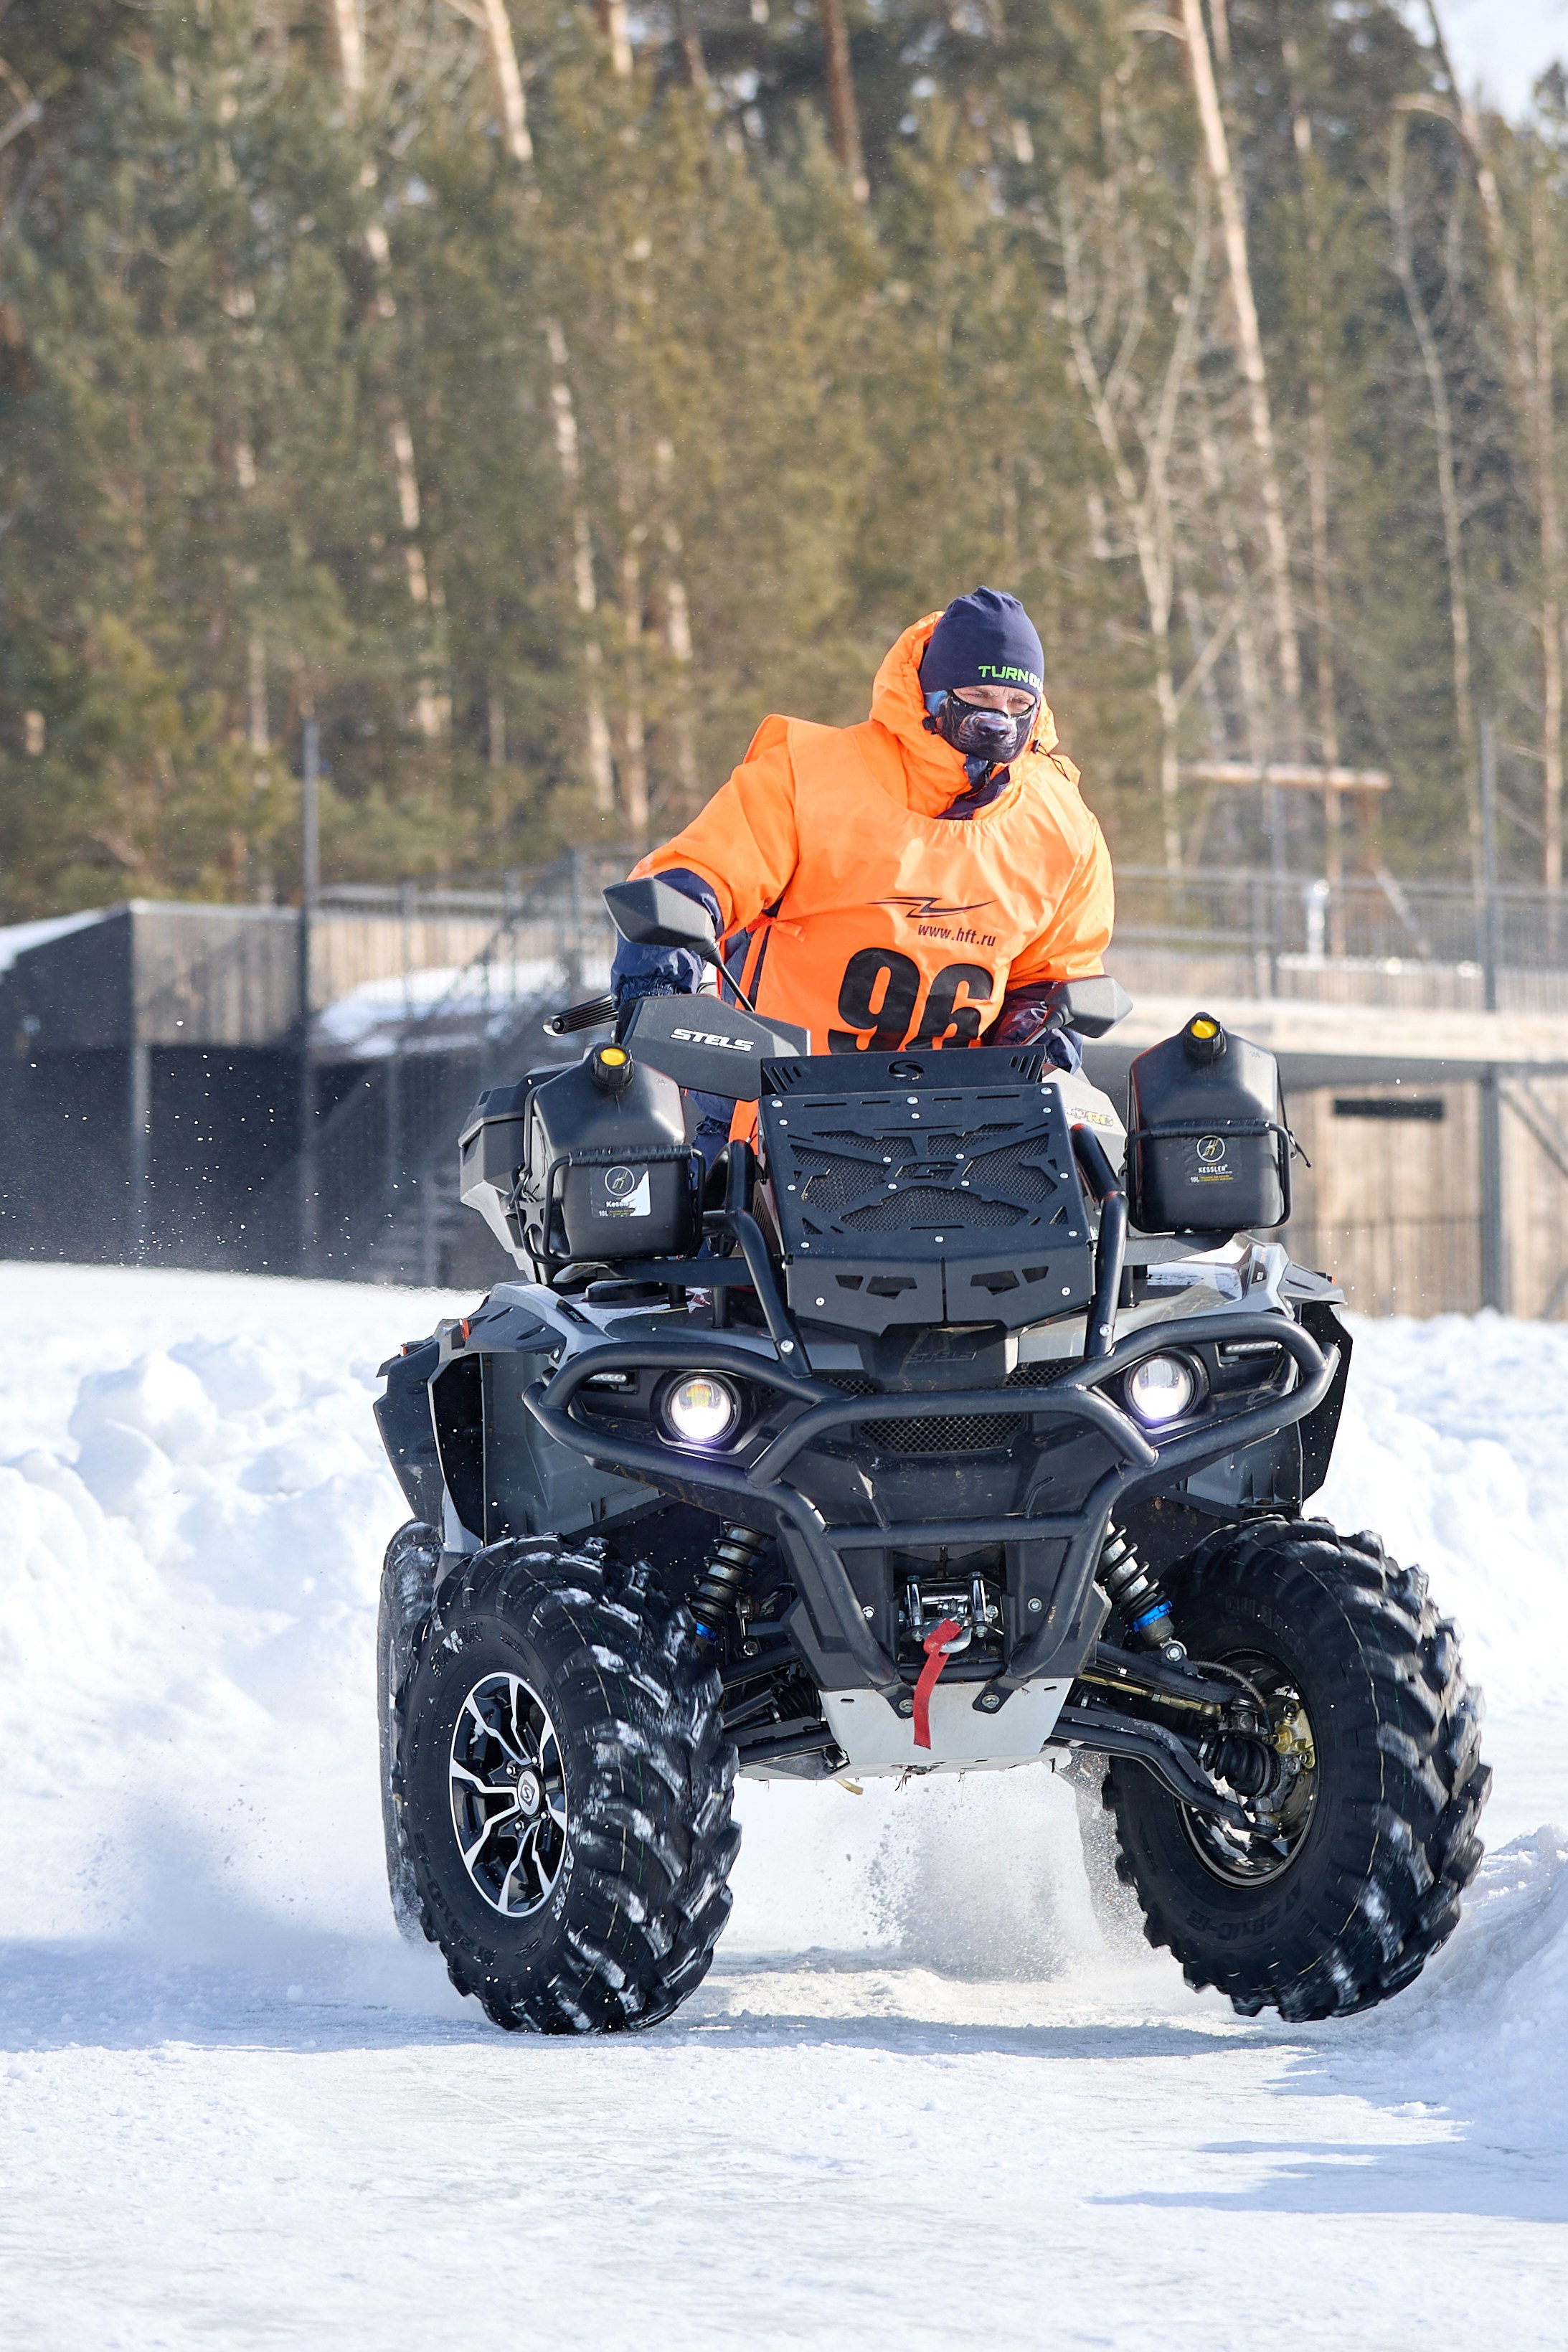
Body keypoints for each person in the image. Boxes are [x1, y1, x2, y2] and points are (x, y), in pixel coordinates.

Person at [611, 587, 1113, 1081]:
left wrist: (1034, 1050)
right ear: (930, 693)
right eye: (979, 698)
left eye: (1017, 702)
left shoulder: (1062, 825)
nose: (999, 720)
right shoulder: (809, 776)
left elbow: (1057, 971)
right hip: (775, 1100)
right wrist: (662, 977)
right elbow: (707, 870)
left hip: (965, 1127)